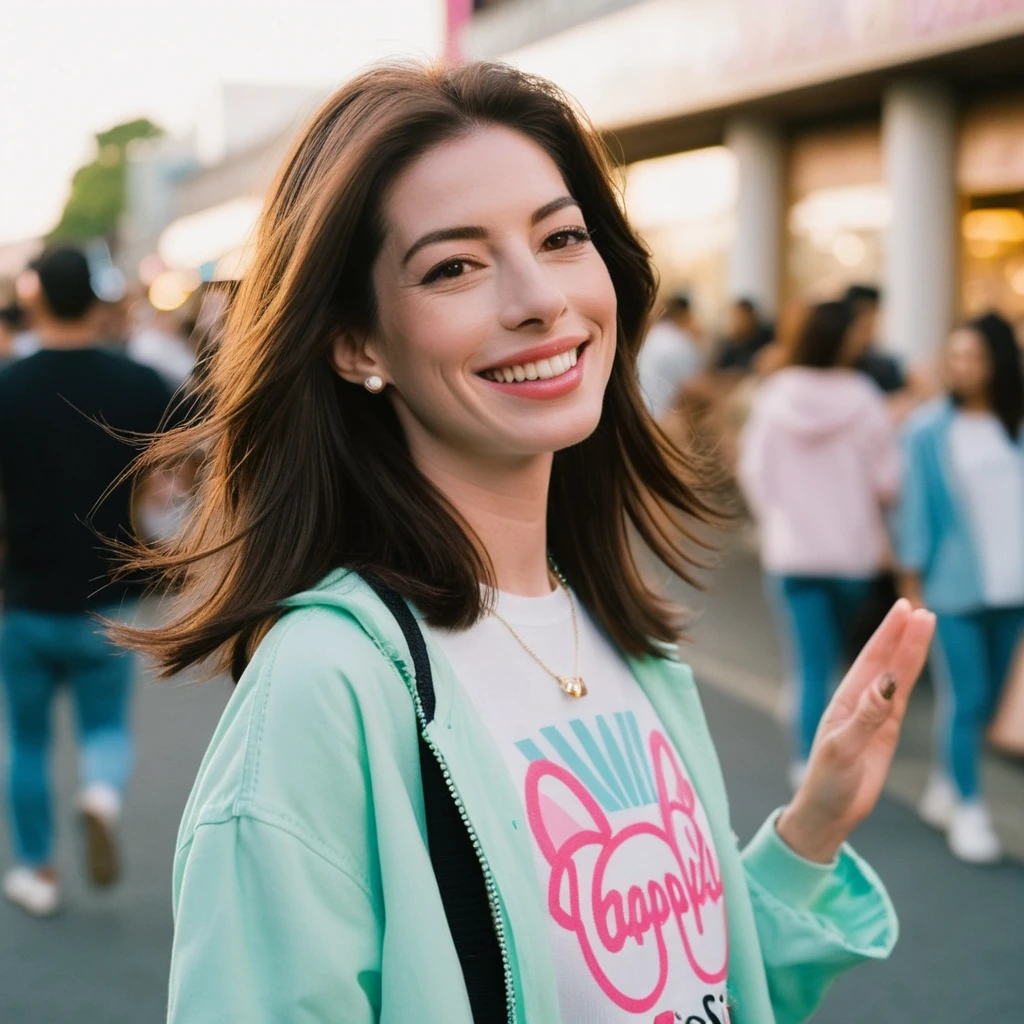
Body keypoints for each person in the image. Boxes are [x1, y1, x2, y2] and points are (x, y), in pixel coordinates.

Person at [120, 62, 934, 1024]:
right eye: (454, 266)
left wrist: (811, 830)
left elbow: (684, 992)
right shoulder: (325, 691)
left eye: (561, 238)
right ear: (357, 345)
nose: (540, 297)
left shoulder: (619, 632)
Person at [0, 246, 173, 916]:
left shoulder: (8, 386)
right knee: (105, 727)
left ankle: (38, 874)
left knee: (29, 741)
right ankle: (101, 794)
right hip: (111, 595)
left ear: (36, 297)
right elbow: (181, 460)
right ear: (98, 300)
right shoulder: (137, 381)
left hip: (28, 597)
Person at [737, 301, 901, 788]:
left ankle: (808, 763)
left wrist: (778, 518)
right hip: (852, 554)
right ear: (845, 340)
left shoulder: (776, 394)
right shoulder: (865, 398)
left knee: (809, 666)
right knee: (838, 663)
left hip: (793, 552)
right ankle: (846, 754)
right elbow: (888, 481)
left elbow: (754, 471)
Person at [898, 311, 1024, 864]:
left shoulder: (1014, 422)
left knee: (996, 700)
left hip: (1014, 590)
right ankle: (970, 810)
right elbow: (916, 513)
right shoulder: (928, 429)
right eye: (955, 358)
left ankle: (947, 784)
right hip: (955, 588)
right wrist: (912, 586)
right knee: (967, 699)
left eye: (974, 357)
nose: (963, 368)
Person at [636, 291, 703, 420]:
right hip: (662, 418)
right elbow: (693, 386)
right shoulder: (679, 341)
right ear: (685, 314)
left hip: (642, 412)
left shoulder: (654, 335)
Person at [711, 297, 772, 373]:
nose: (738, 322)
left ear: (752, 317)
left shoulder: (767, 338)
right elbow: (717, 371)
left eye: (742, 317)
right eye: (735, 318)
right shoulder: (729, 345)